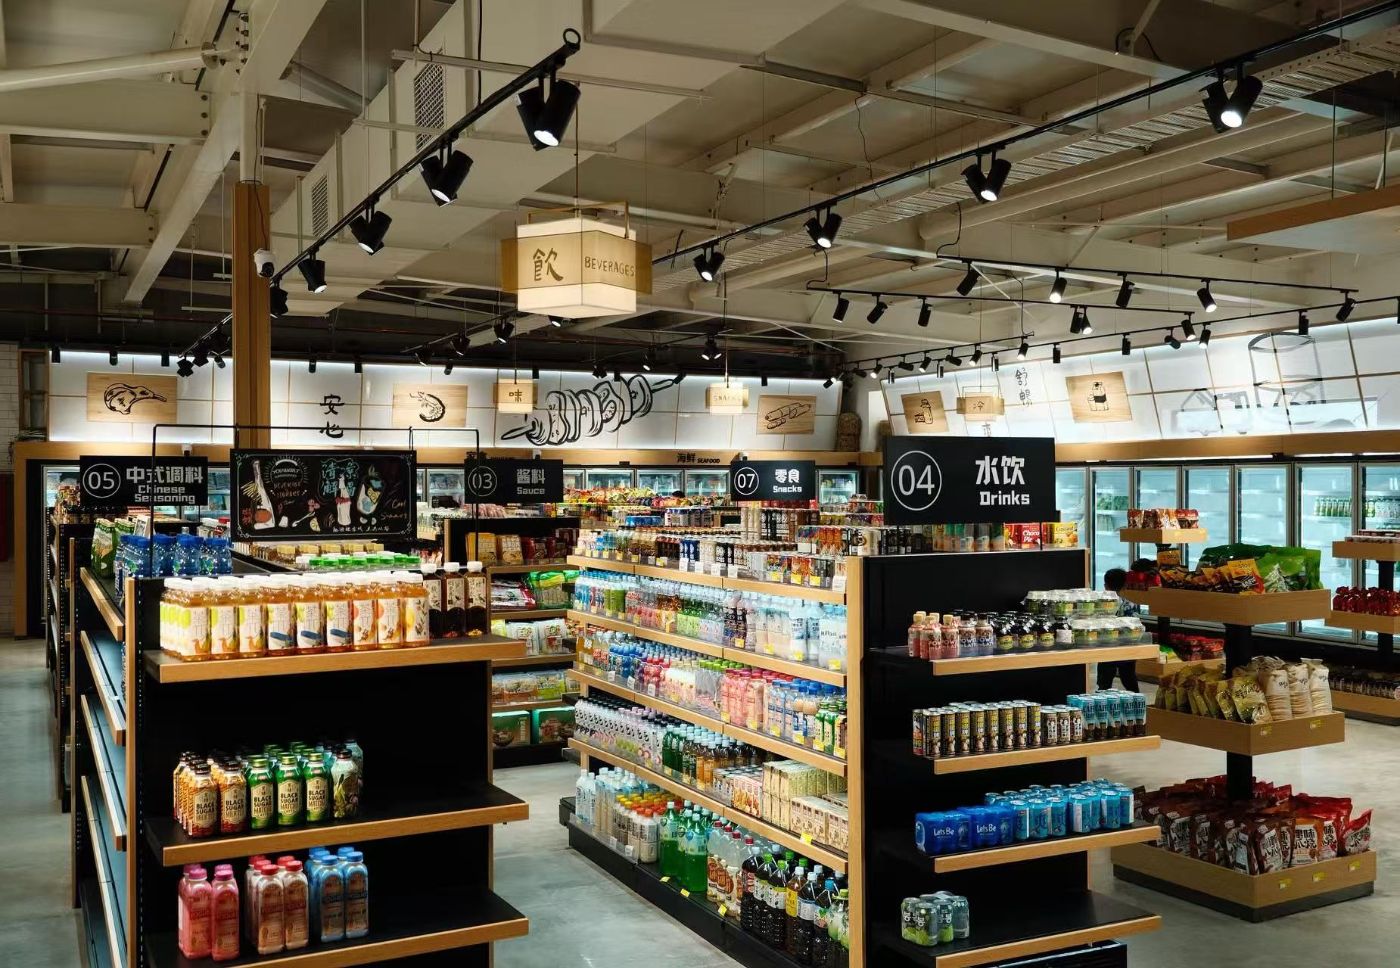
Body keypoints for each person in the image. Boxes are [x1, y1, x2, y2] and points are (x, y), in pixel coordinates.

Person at [1097, 567, 1140, 692]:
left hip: (1106, 646)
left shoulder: (1099, 605)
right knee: (1129, 679)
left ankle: (1102, 701)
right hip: (1126, 646)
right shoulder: (1130, 605)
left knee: (1104, 682)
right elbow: (1136, 626)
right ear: (1125, 586)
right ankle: (1137, 700)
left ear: (1105, 586)